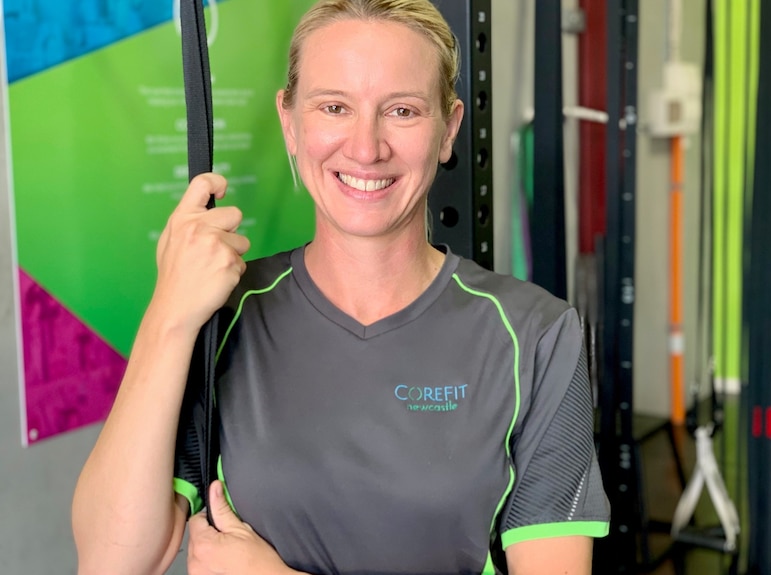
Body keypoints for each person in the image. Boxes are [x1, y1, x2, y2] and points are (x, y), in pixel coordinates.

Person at [71, 1, 610, 573]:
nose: (365, 147)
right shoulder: (222, 318)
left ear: (448, 129)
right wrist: (167, 316)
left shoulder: (536, 335)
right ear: (290, 123)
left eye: (401, 110)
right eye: (334, 107)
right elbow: (113, 562)